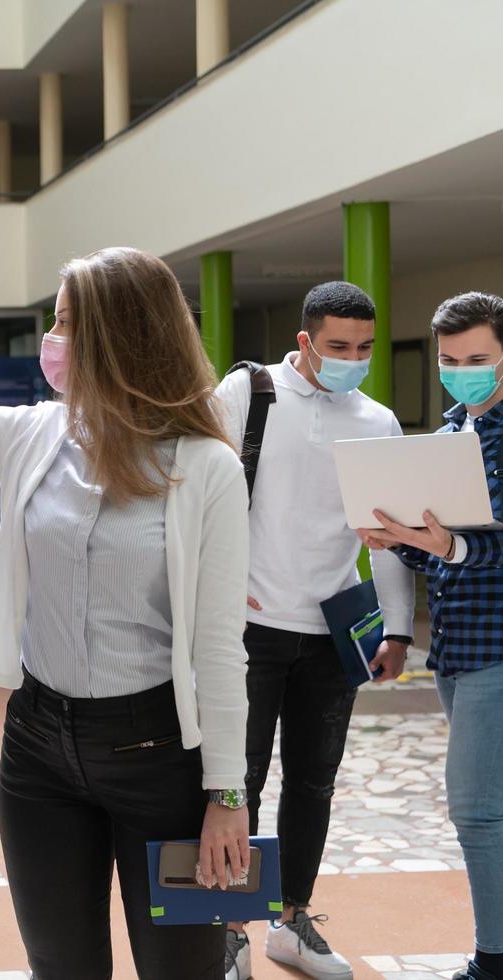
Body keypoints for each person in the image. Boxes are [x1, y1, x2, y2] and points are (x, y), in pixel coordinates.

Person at [0, 246, 250, 980]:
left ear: (120, 335)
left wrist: (228, 796)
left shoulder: (205, 466)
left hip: (163, 756)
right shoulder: (36, 432)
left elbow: (221, 649)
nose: (54, 340)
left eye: (69, 323)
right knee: (60, 965)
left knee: (185, 969)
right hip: (38, 745)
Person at [212, 281, 416, 980]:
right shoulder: (249, 394)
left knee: (314, 783)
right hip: (247, 629)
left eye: (363, 348)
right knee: (236, 784)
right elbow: (192, 493)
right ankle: (229, 929)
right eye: (337, 347)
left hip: (335, 633)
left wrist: (398, 630)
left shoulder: (378, 421)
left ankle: (291, 921)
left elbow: (385, 538)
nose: (352, 359)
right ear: (304, 341)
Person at [359, 291, 503, 980]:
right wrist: (396, 539)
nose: (461, 372)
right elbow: (437, 550)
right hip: (455, 650)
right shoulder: (447, 440)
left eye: (478, 359)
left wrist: (449, 548)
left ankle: (494, 960)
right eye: (450, 361)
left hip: (498, 654)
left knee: (477, 813)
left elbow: (474, 549)